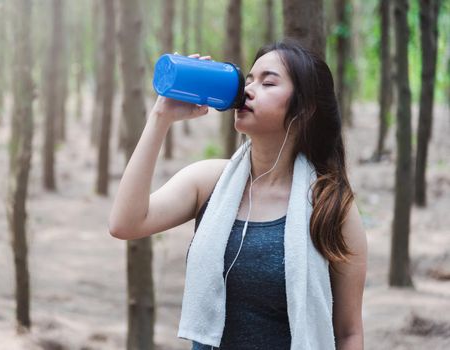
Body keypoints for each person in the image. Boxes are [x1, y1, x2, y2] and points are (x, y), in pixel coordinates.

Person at [109, 40, 367, 350]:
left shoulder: (330, 206)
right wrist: (161, 116)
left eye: (268, 82)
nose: (248, 90)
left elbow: (348, 332)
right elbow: (125, 223)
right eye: (249, 80)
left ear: (306, 108)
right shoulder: (209, 182)